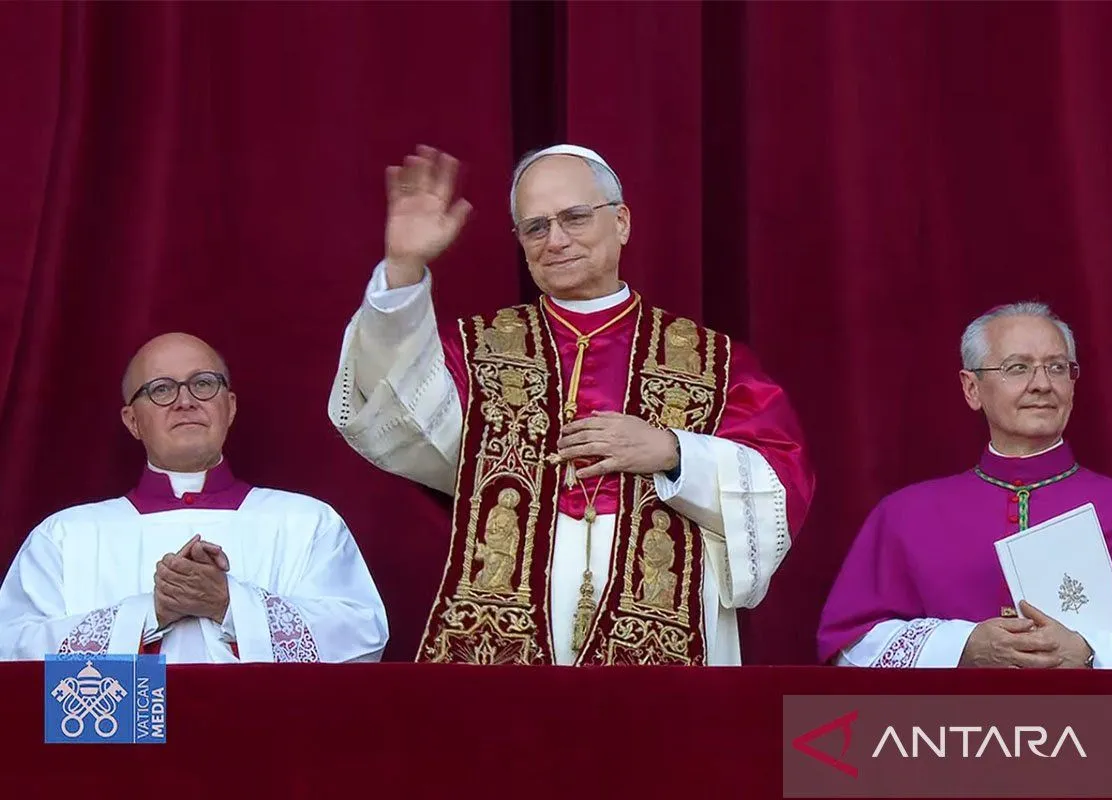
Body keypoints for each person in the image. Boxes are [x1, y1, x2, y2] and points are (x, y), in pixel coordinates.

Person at [328, 144, 814, 665]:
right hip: (505, 623)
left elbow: (780, 486)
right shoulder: (475, 352)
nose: (555, 240)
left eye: (575, 217)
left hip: (666, 622)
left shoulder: (712, 362)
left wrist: (675, 452)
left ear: (621, 222)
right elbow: (396, 406)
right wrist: (403, 267)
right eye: (535, 227)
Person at [818, 302, 1112, 670]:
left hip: (1099, 717)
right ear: (972, 388)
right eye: (1018, 368)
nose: (1042, 384)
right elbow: (850, 647)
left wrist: (1089, 652)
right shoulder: (905, 515)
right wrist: (963, 646)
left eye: (1057, 367)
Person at [0, 333, 388, 663]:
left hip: (261, 729)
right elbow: (12, 649)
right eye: (161, 389)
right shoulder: (66, 536)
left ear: (229, 407)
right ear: (133, 421)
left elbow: (362, 639)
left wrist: (231, 604)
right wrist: (149, 613)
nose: (185, 401)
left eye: (203, 383)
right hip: (123, 733)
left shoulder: (306, 522)